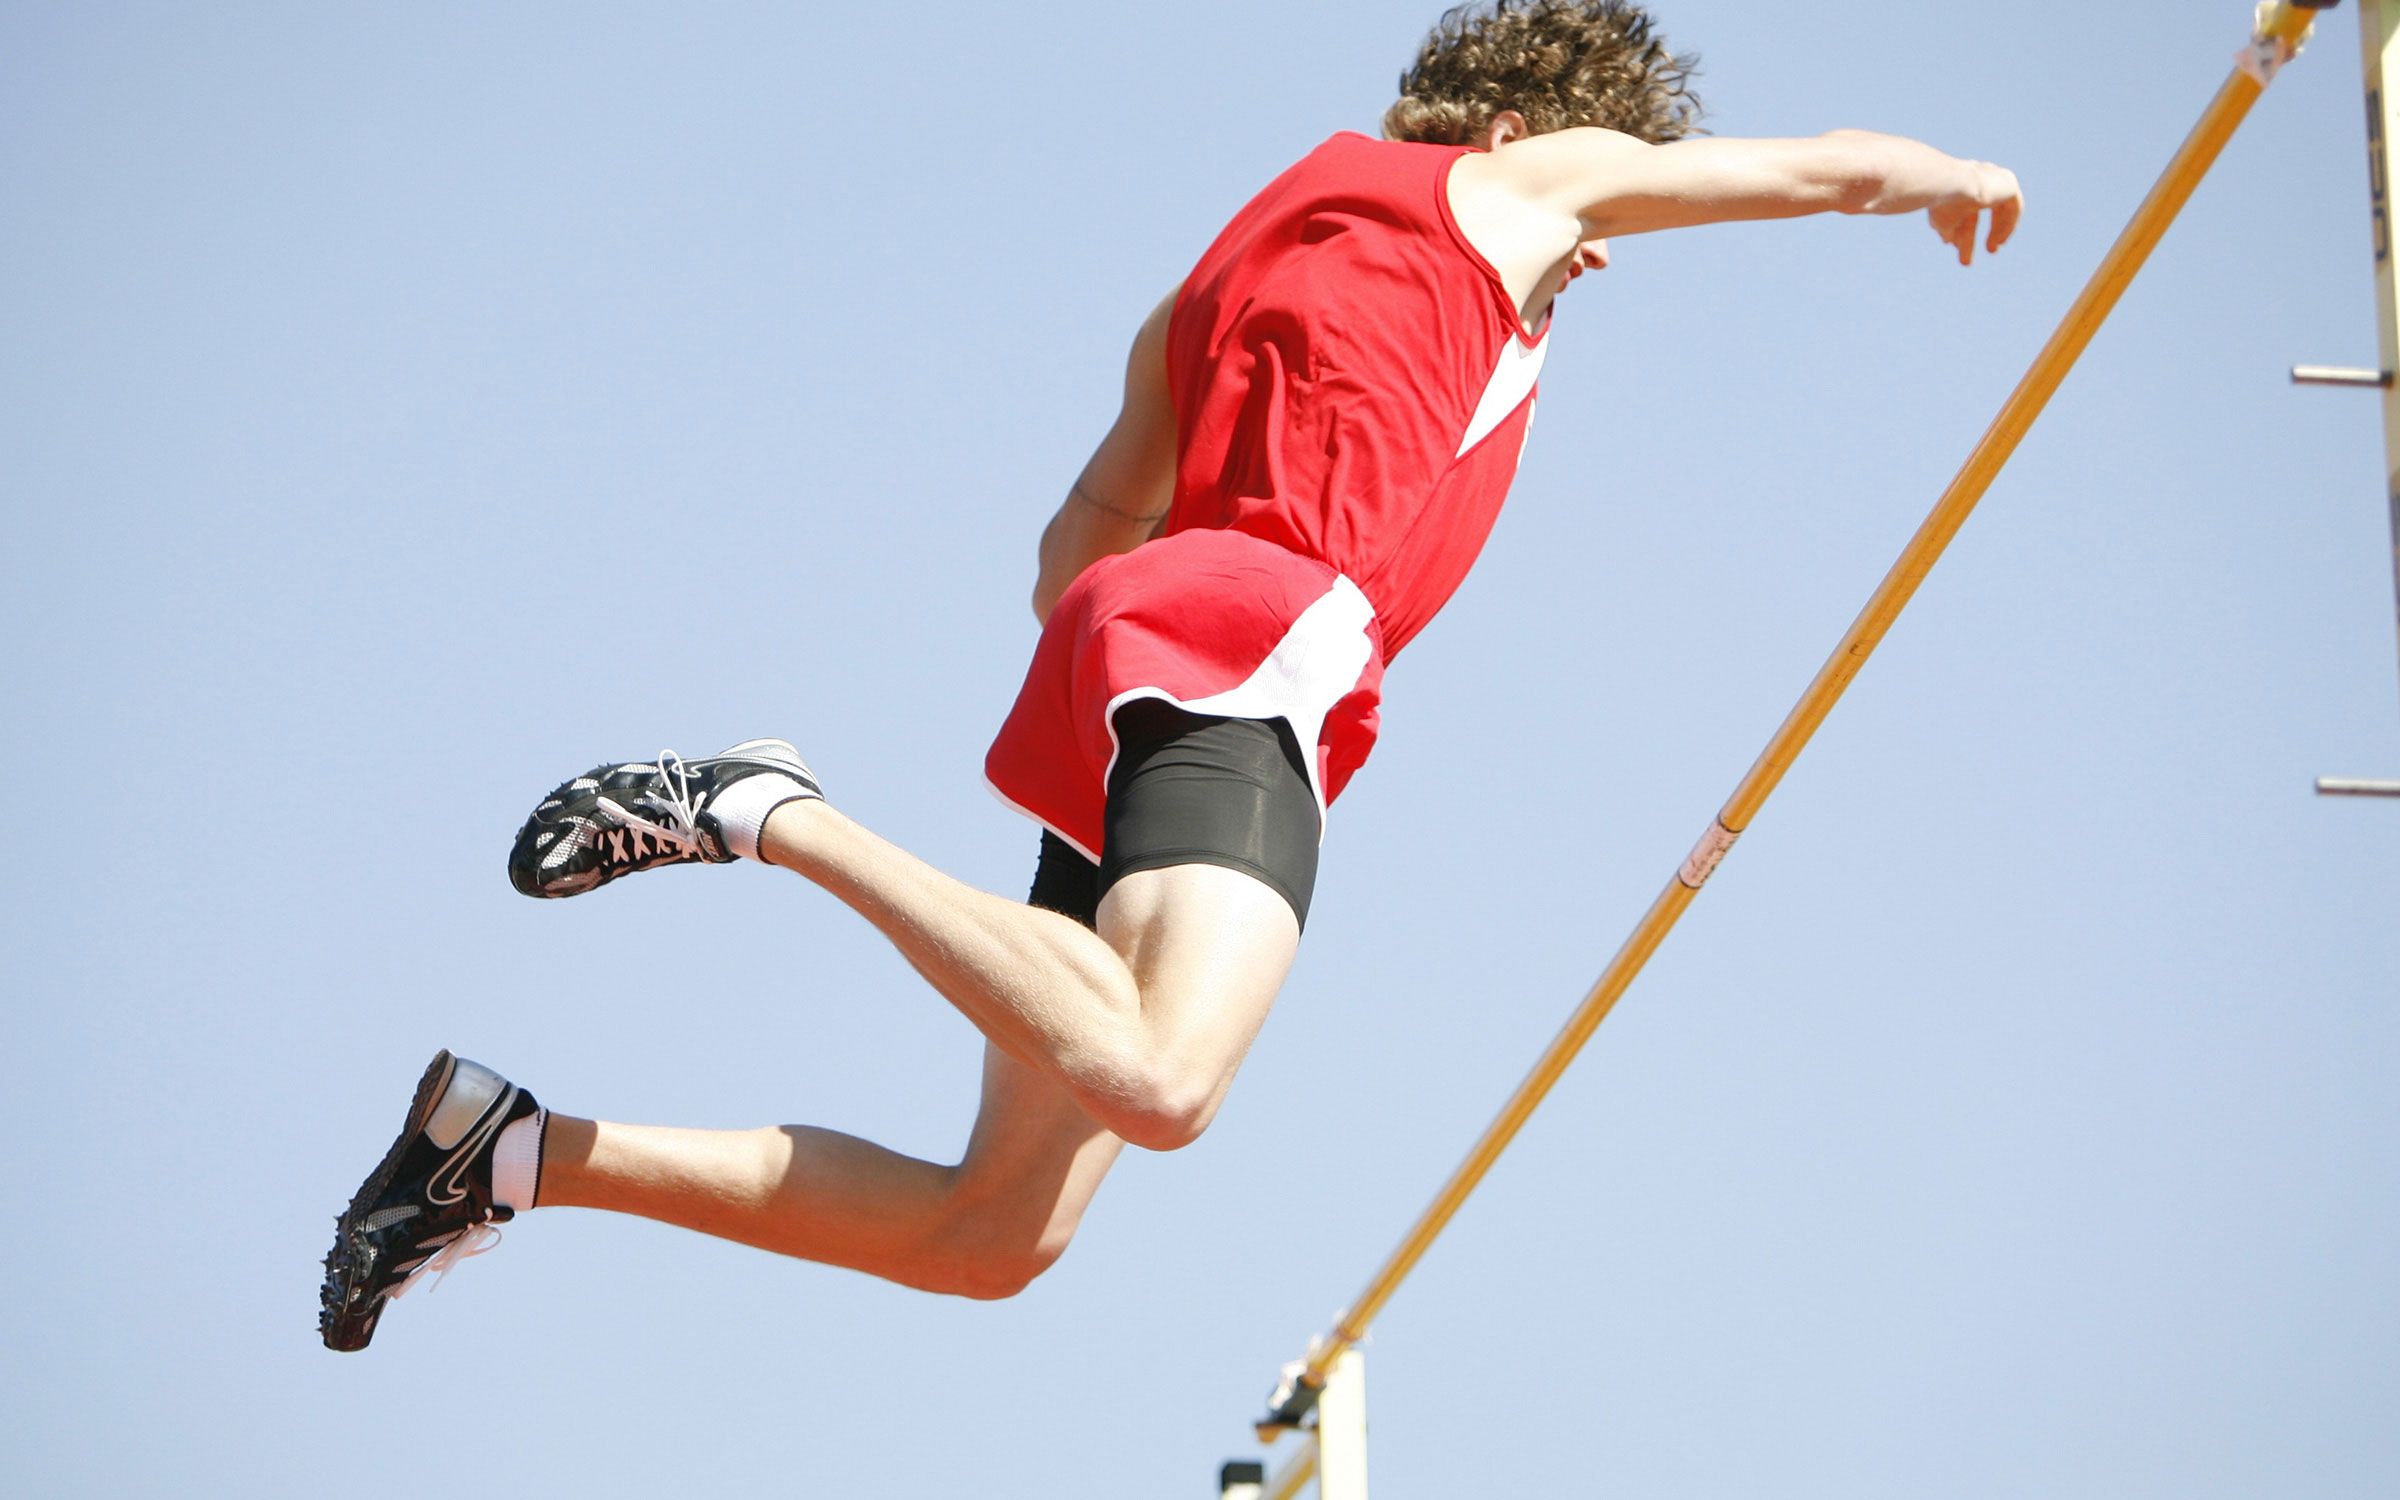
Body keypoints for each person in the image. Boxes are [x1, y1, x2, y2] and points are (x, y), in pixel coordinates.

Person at [320, 0, 2021, 1351]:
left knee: (990, 1236)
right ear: (1527, 132)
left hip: (1127, 665)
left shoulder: (1218, 272)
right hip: (1253, 639)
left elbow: (1081, 533)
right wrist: (1949, 169)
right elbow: (1822, 170)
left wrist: (1128, 657)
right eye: (1610, 199)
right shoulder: (1517, 192)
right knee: (1166, 1079)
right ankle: (770, 811)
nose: (1602, 250)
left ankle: (513, 1155)